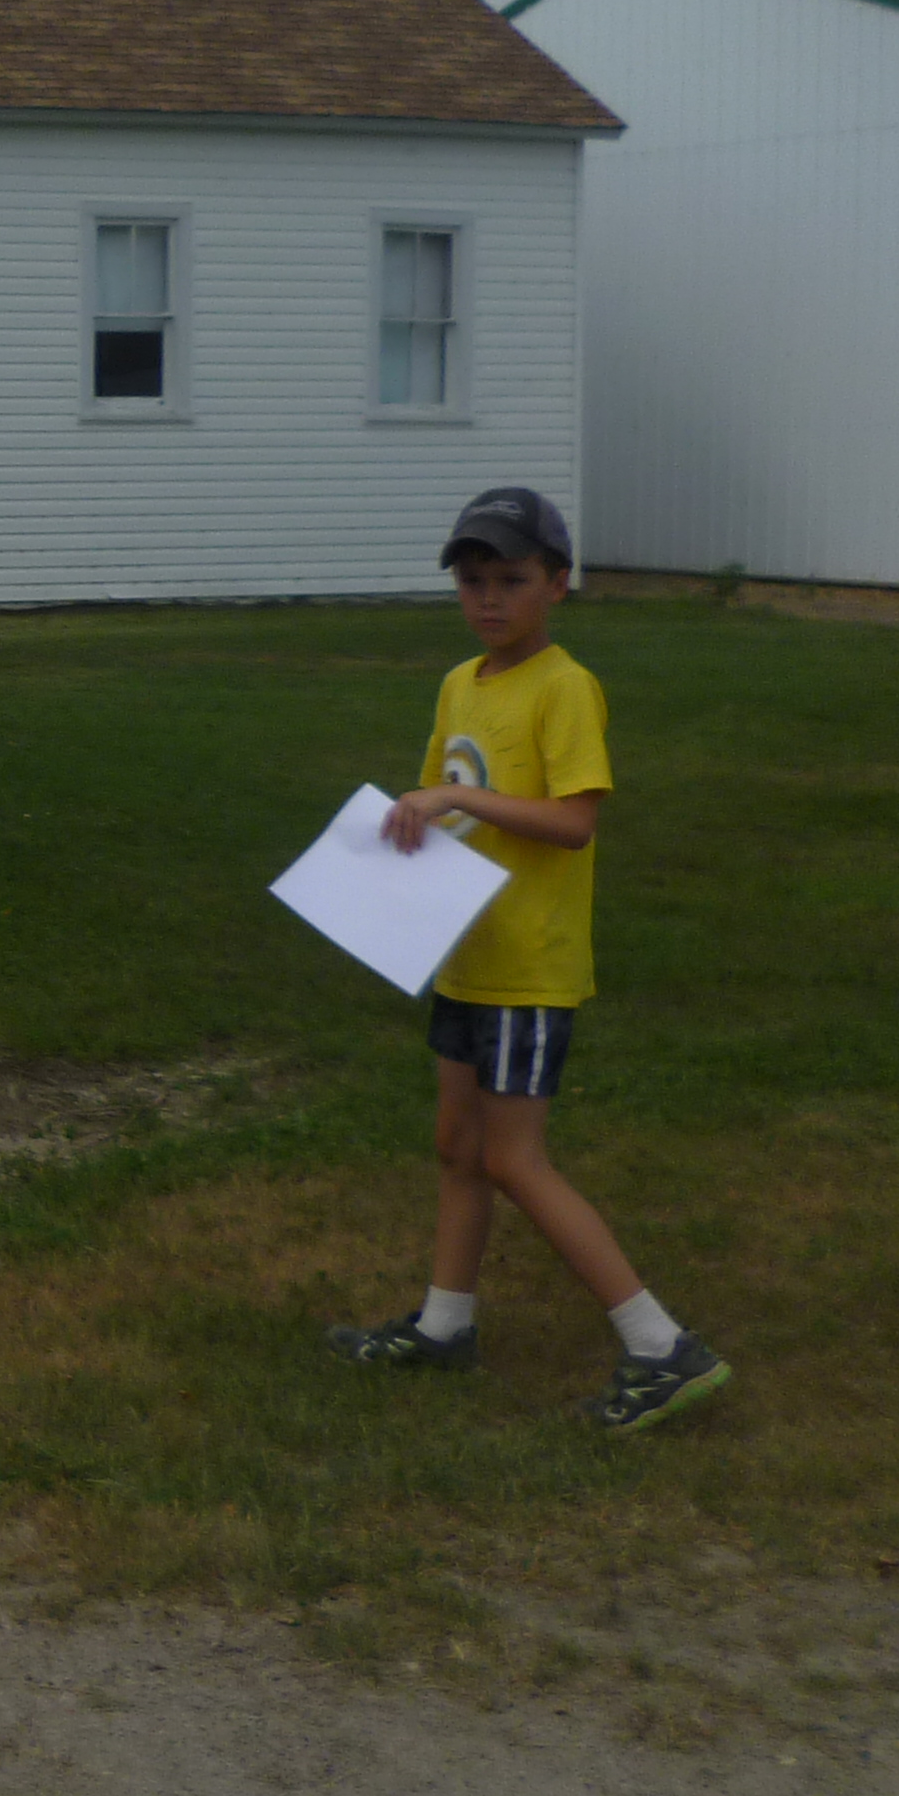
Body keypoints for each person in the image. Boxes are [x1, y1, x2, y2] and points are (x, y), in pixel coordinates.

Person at [327, 485, 733, 1431]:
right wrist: (406, 828)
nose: (489, 599)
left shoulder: (564, 687)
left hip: (528, 966)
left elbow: (574, 821)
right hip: (467, 952)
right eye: (473, 581)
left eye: (511, 580)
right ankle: (445, 1326)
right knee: (458, 1147)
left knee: (514, 1159)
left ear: (557, 583)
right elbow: (443, 804)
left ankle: (662, 1347)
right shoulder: (460, 684)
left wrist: (449, 801)